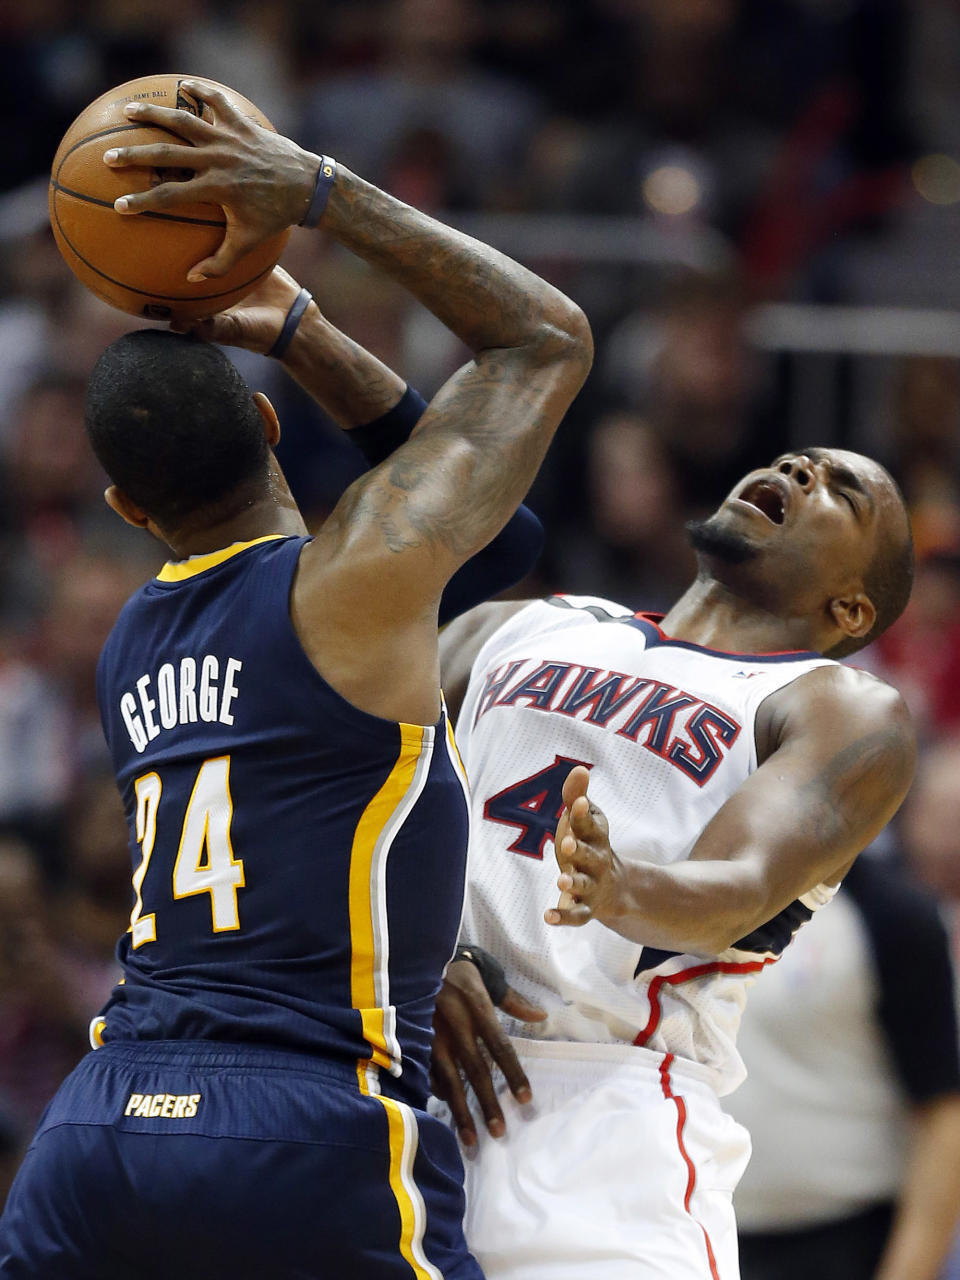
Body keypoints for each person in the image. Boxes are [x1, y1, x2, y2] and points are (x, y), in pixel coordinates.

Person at [0, 79, 592, 1279]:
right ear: (272, 428)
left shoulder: (126, 647)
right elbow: (547, 341)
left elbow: (501, 551)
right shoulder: (354, 582)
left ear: (125, 507)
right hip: (301, 1121)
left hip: (96, 1129)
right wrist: (318, 200)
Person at [431, 446, 917, 1279]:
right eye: (798, 464)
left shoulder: (835, 706)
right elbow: (346, 798)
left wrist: (622, 887)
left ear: (851, 609)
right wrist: (411, 961)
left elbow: (742, 887)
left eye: (844, 493)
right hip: (405, 1068)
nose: (802, 472)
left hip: (602, 1130)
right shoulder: (519, 624)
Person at [728, 851, 960, 1280]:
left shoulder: (893, 914)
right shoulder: (686, 897)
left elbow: (943, 1113)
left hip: (847, 1239)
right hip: (706, 1231)